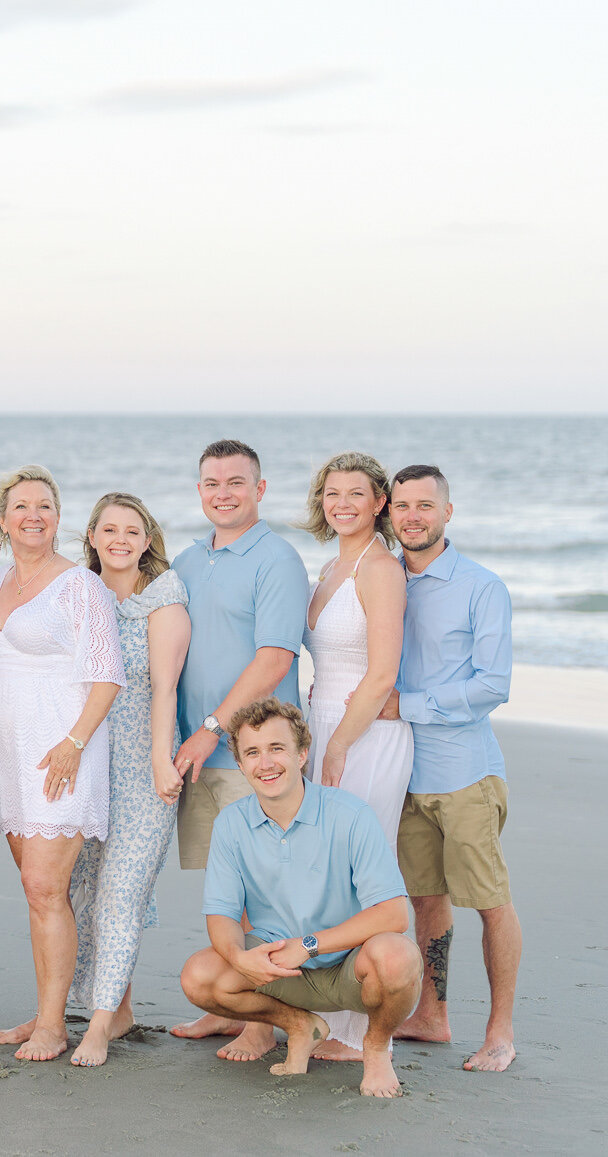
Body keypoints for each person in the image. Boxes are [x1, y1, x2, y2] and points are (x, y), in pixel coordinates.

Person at [178, 699, 423, 1100]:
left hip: (348, 965)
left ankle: (375, 1049)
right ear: (240, 764)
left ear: (302, 753)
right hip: (277, 969)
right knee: (199, 976)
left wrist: (308, 946)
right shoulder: (232, 824)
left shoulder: (350, 815)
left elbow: (394, 913)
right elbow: (221, 915)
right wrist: (241, 959)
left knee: (398, 957)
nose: (266, 763)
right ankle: (298, 1025)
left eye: (277, 749)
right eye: (252, 753)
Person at [0, 464, 124, 1062]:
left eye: (44, 506)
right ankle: (45, 1014)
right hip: (11, 755)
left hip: (63, 751)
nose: (32, 515)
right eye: (21, 506)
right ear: (2, 520)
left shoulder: (80, 586)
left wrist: (74, 743)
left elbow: (106, 675)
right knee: (37, 892)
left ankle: (54, 1026)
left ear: (59, 519)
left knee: (44, 888)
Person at [168, 438, 309, 1059]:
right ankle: (233, 1007)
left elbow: (276, 656)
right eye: (211, 483)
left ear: (260, 489)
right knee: (225, 889)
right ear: (199, 491)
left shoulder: (276, 558)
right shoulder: (189, 560)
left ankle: (263, 1022)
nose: (222, 492)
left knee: (263, 894)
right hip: (196, 754)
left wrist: (212, 729)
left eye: (235, 482)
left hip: (251, 753)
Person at [386, 465, 521, 1074]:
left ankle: (499, 1032)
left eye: (424, 505)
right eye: (402, 505)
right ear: (388, 512)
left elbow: (493, 684)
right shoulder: (387, 579)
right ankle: (432, 1016)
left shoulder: (480, 586)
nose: (412, 516)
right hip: (405, 774)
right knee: (425, 901)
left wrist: (407, 707)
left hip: (465, 773)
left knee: (489, 901)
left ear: (447, 511)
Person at [67, 493, 189, 1066]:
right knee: (83, 893)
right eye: (108, 529)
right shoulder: (77, 595)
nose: (119, 539)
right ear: (91, 536)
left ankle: (95, 1026)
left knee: (121, 894)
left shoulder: (162, 601)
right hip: (85, 768)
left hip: (144, 772)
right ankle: (118, 1010)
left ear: (147, 540)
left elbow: (165, 688)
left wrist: (163, 761)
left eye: (131, 530)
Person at [297, 453, 411, 1061]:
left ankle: (363, 1033)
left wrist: (339, 741)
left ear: (379, 504)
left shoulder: (381, 569)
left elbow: (383, 670)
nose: (342, 503)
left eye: (356, 494)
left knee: (362, 869)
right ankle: (330, 1013)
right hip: (325, 722)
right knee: (327, 870)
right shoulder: (331, 565)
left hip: (365, 733)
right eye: (332, 493)